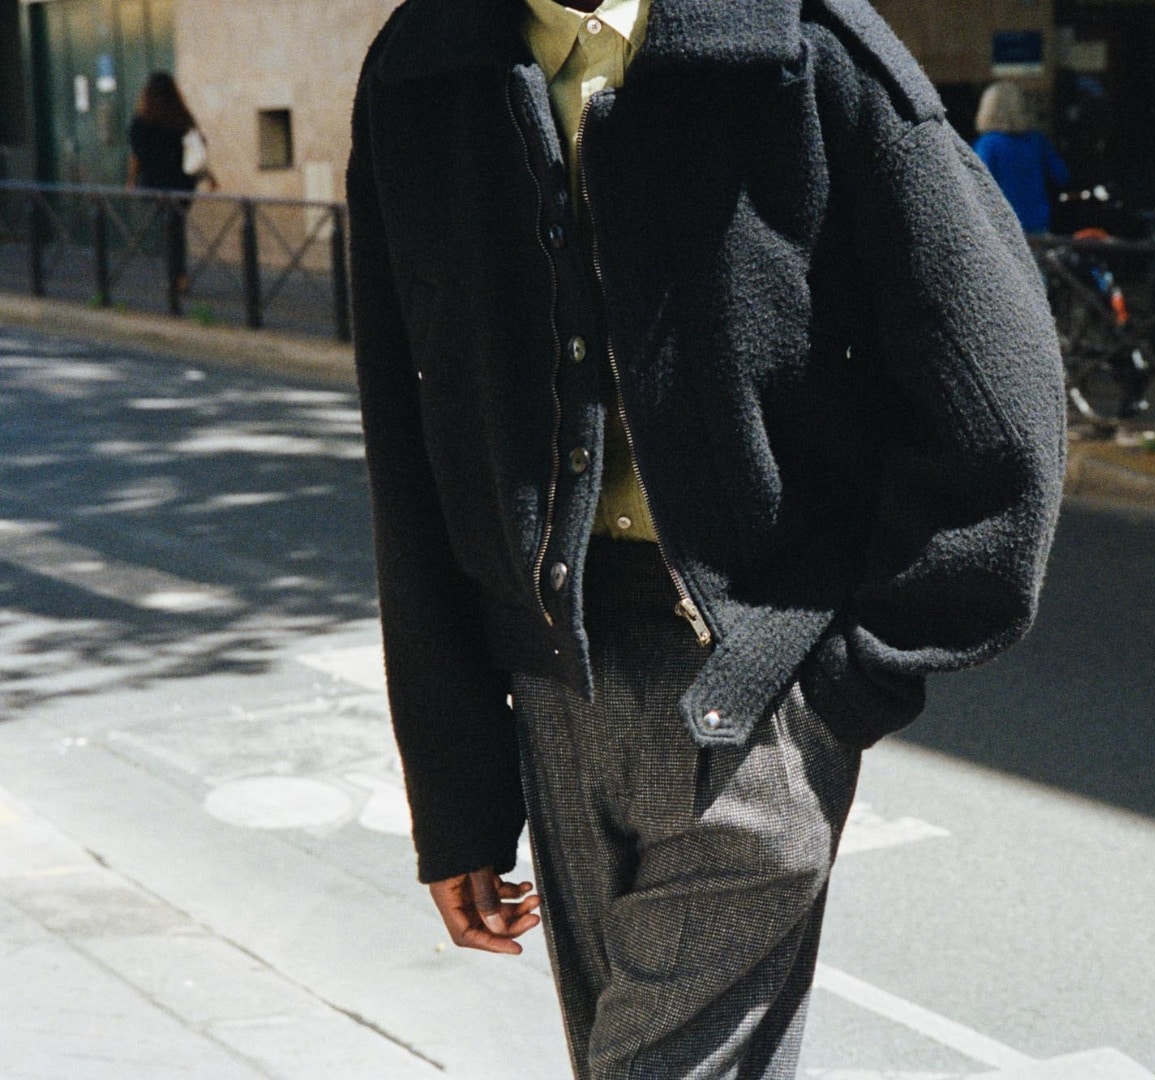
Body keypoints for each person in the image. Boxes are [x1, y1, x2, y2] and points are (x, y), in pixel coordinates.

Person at [346, 0, 1066, 1076]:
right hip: (552, 684)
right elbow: (414, 453)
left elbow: (1001, 396)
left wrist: (837, 686)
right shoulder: (424, 62)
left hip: (756, 688)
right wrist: (456, 801)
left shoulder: (803, 46)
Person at [127, 72, 215, 293]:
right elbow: (196, 149)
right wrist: (209, 176)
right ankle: (180, 277)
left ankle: (175, 277)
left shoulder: (141, 121)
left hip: (156, 184)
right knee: (177, 227)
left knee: (169, 229)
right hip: (182, 183)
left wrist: (131, 181)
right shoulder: (181, 118)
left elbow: (136, 156)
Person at [973, 80, 1070, 234]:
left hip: (1002, 228)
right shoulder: (1037, 141)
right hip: (1038, 224)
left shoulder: (987, 144)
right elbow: (1061, 176)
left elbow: (976, 186)